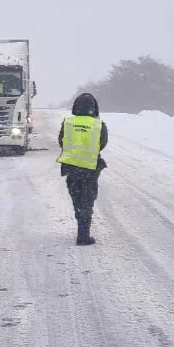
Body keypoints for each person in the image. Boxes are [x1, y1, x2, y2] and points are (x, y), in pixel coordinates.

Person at [57, 93, 108, 245]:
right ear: (95, 108)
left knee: (77, 199)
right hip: (90, 168)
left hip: (72, 167)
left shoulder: (68, 122)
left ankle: (81, 227)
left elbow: (61, 141)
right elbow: (102, 143)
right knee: (87, 200)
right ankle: (83, 234)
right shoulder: (99, 125)